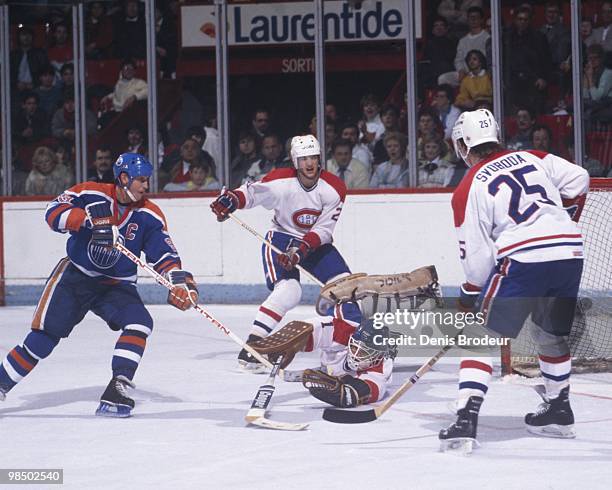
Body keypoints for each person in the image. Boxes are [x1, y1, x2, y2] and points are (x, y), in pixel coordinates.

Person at [0, 153, 199, 417]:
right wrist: (86, 219)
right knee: (43, 339)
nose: (146, 185)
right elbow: (52, 213)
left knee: (140, 323)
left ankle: (117, 388)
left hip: (116, 285)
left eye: (147, 180)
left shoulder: (150, 214)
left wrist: (180, 282)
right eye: (141, 179)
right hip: (75, 278)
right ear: (124, 177)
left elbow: (164, 254)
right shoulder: (91, 193)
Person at [439, 109, 589, 451]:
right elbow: (579, 177)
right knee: (550, 334)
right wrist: (557, 217)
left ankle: (465, 420)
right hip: (568, 251)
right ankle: (559, 410)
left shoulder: (468, 187)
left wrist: (468, 296)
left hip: (524, 258)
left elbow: (477, 268)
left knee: (478, 336)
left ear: (463, 144)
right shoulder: (530, 156)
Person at [210, 135, 350, 371]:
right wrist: (232, 199)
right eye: (303, 158)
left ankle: (348, 342)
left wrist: (302, 249)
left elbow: (324, 230)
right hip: (282, 237)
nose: (309, 164)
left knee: (346, 289)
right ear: (295, 161)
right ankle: (253, 346)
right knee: (290, 291)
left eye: (313, 157)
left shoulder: (334, 188)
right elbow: (253, 193)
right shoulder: (281, 181)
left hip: (315, 244)